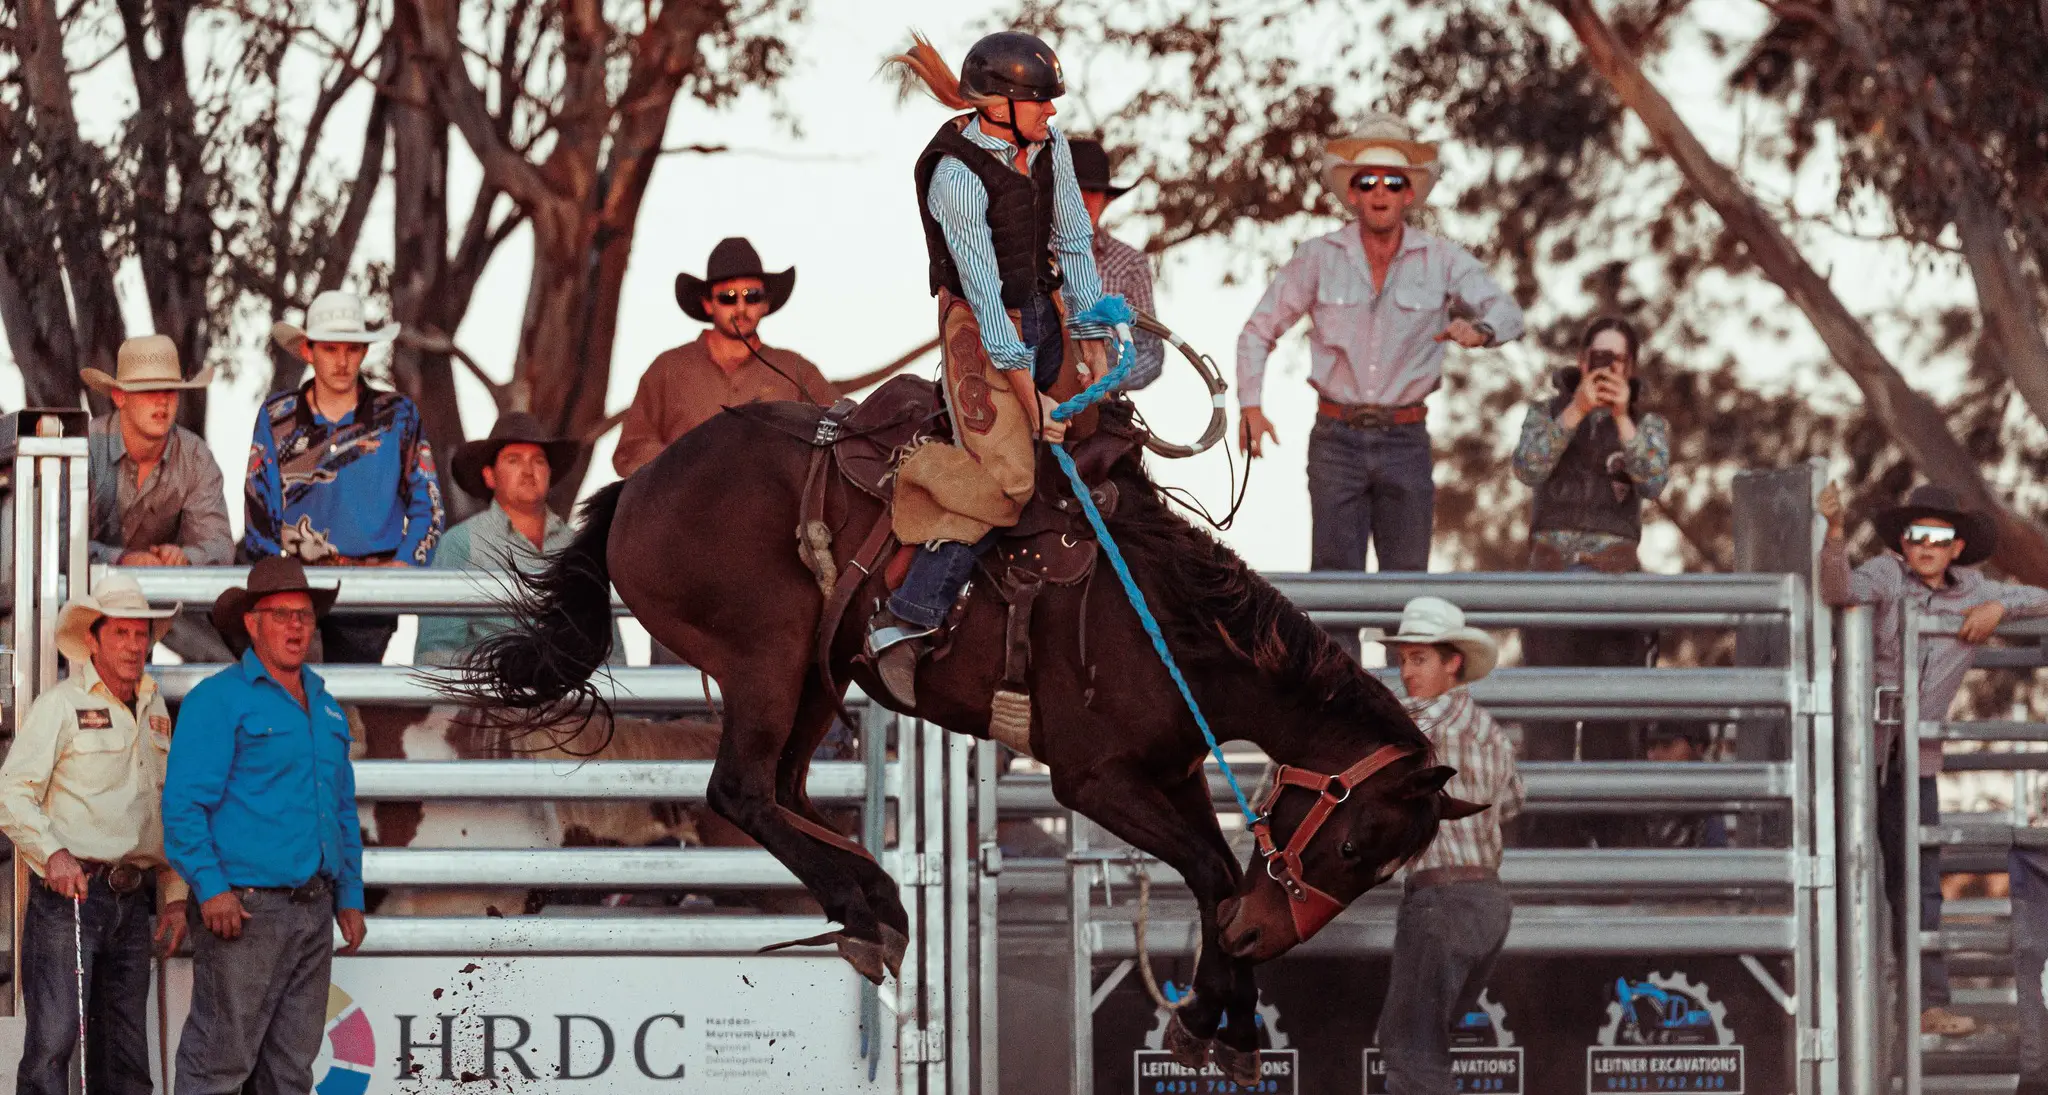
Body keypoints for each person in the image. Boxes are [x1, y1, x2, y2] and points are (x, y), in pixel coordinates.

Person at [868, 30, 1120, 704]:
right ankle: (906, 617)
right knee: (1009, 477)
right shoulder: (953, 177)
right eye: (1039, 101)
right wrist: (1033, 403)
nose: (1052, 113)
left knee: (1104, 427)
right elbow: (985, 306)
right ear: (1000, 104)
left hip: (1041, 309)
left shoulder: (1050, 147)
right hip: (980, 332)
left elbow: (1072, 239)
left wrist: (1091, 331)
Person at [1235, 114, 1524, 651]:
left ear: (1410, 193)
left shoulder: (1442, 259)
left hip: (1405, 439)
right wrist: (1251, 405)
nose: (1380, 192)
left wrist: (1479, 331)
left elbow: (1508, 312)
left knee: (1409, 597)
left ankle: (1405, 722)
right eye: (1367, 181)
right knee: (1332, 593)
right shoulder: (1319, 257)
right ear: (1353, 193)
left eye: (1394, 181)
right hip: (1336, 436)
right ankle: (1341, 725)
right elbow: (1258, 329)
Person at [1819, 481, 2048, 1037]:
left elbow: (2042, 598)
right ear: (1902, 541)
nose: (1926, 545)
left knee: (1917, 880)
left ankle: (1927, 1004)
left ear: (1955, 547)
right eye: (1916, 534)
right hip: (1851, 751)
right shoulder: (1881, 574)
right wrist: (1833, 532)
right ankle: (1827, 1008)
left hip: (1913, 758)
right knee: (1835, 873)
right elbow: (1836, 589)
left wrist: (1997, 606)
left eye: (1938, 536)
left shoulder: (1973, 592)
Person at [164, 557, 367, 1092]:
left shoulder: (325, 706)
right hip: (245, 909)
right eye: (281, 614)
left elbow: (341, 809)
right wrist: (211, 890)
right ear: (252, 624)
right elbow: (183, 806)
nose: (296, 626)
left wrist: (349, 896)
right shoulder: (218, 699)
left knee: (290, 1069)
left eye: (303, 614)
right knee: (220, 1063)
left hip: (313, 907)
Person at [0, 573, 189, 1095]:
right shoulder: (59, 706)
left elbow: (164, 809)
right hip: (71, 898)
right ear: (93, 640)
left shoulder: (156, 710)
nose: (133, 646)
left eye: (140, 635)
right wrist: (54, 854)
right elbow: (11, 791)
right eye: (121, 634)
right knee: (53, 1047)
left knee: (126, 1055)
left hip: (134, 902)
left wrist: (174, 898)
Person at [1510, 317, 1670, 845]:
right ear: (1581, 361)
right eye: (1597, 358)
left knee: (1612, 727)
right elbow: (1528, 467)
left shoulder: (1647, 425)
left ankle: (1616, 846)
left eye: (1615, 360)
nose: (1605, 368)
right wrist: (1578, 409)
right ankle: (1546, 843)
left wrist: (1622, 417)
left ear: (1631, 368)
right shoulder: (1547, 412)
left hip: (1615, 588)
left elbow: (1654, 479)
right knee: (1548, 727)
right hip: (1550, 583)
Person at [1372, 596, 1523, 1094]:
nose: (1407, 672)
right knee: (1426, 1048)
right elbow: (1514, 803)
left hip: (1440, 902)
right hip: (1489, 905)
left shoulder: (1408, 721)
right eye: (1403, 659)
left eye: (1419, 659)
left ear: (1452, 662)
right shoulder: (1492, 733)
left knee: (1412, 1057)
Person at [245, 290, 444, 663]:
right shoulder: (278, 417)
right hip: (296, 584)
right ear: (308, 351)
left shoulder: (398, 415)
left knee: (351, 708)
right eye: (330, 349)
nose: (341, 361)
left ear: (364, 352)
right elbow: (259, 506)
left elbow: (429, 506)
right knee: (285, 698)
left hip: (372, 589)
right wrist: (276, 582)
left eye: (351, 349)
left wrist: (404, 567)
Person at [613, 237, 836, 477]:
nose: (741, 307)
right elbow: (630, 450)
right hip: (687, 510)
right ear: (708, 304)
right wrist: (685, 464)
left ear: (766, 304)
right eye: (728, 297)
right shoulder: (668, 369)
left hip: (774, 511)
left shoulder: (796, 370)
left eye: (752, 296)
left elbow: (844, 431)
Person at [419, 412, 619, 663]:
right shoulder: (460, 544)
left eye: (538, 461)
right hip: (487, 696)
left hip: (571, 697)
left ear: (548, 473)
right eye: (513, 460)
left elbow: (610, 651)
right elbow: (437, 651)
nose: (528, 471)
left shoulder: (579, 547)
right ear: (489, 476)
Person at [84, 334, 237, 662]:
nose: (162, 402)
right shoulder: (83, 450)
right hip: (83, 606)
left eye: (170, 391)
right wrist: (122, 560)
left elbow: (220, 546)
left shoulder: (195, 456)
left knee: (220, 665)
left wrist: (184, 557)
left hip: (163, 603)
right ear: (119, 396)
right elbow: (52, 545)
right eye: (148, 391)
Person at [1069, 137, 1163, 388]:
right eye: (1076, 189)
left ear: (1107, 199)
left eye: (1094, 191)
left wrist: (1108, 380)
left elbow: (1151, 350)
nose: (1085, 201)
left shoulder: (1130, 263)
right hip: (1028, 398)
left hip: (1099, 404)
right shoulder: (1027, 256)